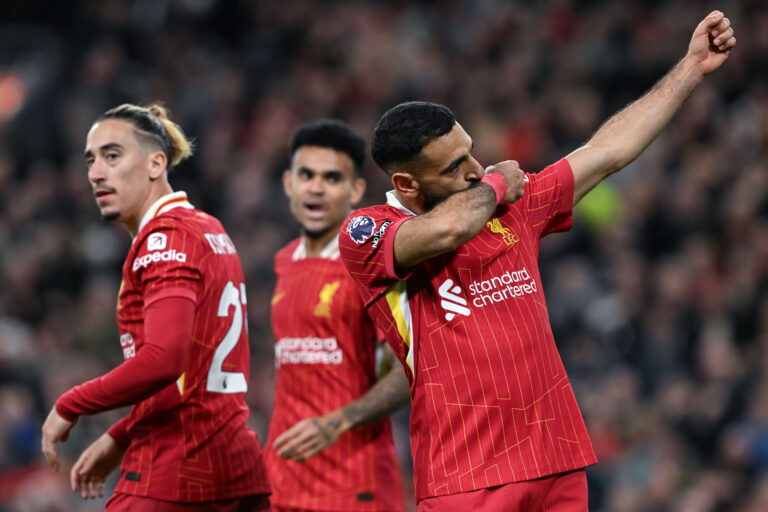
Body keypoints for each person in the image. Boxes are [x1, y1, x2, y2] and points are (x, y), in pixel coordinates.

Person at [338, 11, 736, 511]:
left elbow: (607, 151)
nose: (475, 169)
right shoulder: (368, 232)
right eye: (456, 167)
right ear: (406, 184)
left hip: (556, 456)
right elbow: (449, 228)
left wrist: (691, 68)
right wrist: (497, 182)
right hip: (467, 476)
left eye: (472, 153)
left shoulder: (513, 208)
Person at [41, 104, 271, 511]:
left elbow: (165, 359)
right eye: (91, 160)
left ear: (156, 163)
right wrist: (121, 435)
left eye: (112, 156)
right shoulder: (207, 228)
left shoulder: (164, 239)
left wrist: (71, 403)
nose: (96, 173)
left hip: (177, 468)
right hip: (236, 467)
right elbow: (188, 376)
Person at [266, 119, 410, 511]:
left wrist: (337, 422)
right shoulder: (284, 260)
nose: (316, 187)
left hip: (354, 486)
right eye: (307, 175)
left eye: (332, 178)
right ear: (289, 183)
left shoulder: (372, 266)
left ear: (356, 190)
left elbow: (408, 371)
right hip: (283, 482)